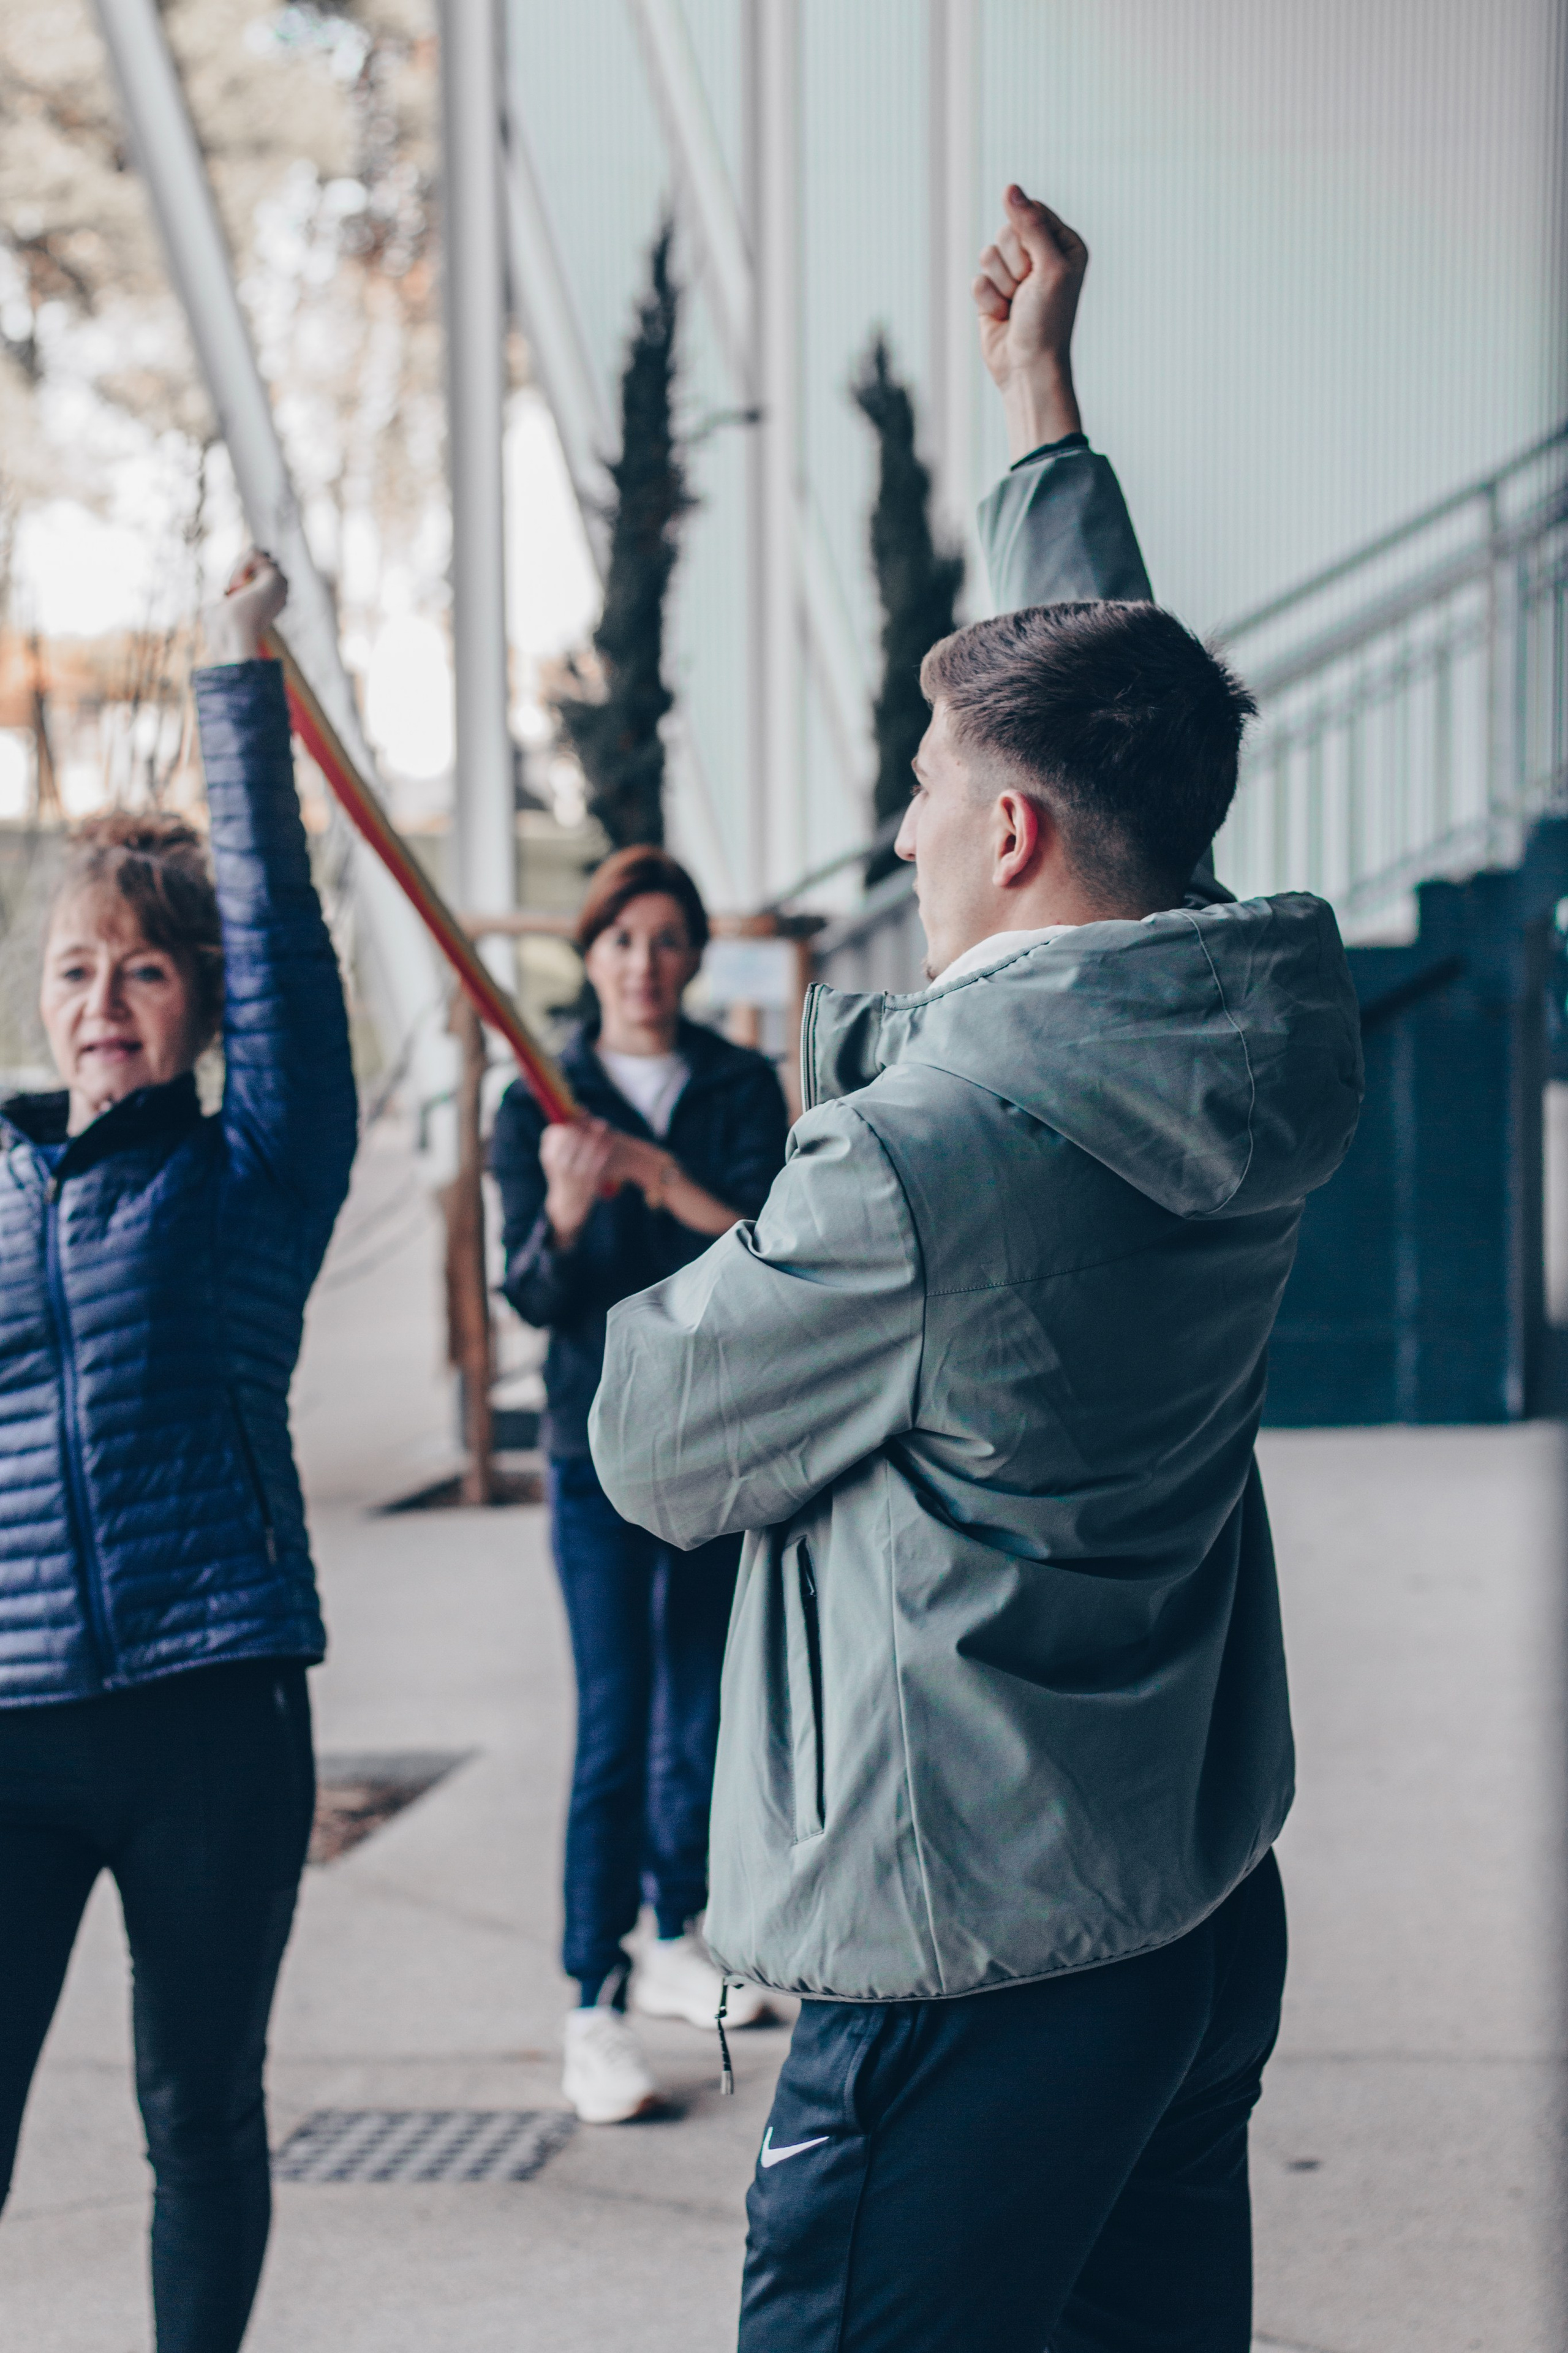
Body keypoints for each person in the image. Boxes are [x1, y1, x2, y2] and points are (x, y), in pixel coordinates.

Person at [589, 186, 1365, 2351]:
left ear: (1009, 835)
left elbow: (652, 1439)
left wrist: (744, 1234)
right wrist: (1038, 395)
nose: (909, 830)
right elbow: (1113, 717)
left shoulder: (916, 1166)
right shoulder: (1234, 1041)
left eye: (930, 792)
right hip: (1185, 1929)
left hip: (964, 1976)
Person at [0, 554, 356, 2352]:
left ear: (199, 1006)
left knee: (196, 2116)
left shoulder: (251, 1178)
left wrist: (240, 679)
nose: (104, 998)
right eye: (76, 969)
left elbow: (283, 934)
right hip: (11, 1723)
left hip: (215, 1715)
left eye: (145, 969)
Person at [491, 847, 789, 2125]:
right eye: (622, 940)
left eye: (668, 940)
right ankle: (590, 2002)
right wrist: (560, 1219)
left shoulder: (734, 1084)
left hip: (713, 1442)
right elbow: (534, 1298)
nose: (645, 964)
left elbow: (783, 1261)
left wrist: (666, 1183)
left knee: (703, 1708)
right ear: (592, 951)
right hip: (594, 1456)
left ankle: (680, 1930)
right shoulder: (540, 1095)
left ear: (693, 955)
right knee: (616, 1723)